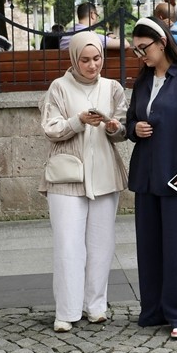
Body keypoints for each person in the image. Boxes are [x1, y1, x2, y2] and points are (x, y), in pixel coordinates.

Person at [125, 17, 177, 341]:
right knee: (150, 247)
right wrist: (135, 129)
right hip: (147, 175)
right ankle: (156, 309)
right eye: (136, 50)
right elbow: (132, 120)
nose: (140, 54)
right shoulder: (143, 81)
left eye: (143, 48)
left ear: (161, 42)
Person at [38, 32, 127, 333]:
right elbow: (50, 129)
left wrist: (114, 127)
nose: (92, 65)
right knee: (68, 245)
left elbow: (123, 128)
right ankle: (66, 311)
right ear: (74, 59)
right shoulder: (59, 88)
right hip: (67, 178)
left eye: (97, 58)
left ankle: (96, 306)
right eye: (85, 60)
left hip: (103, 174)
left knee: (101, 245)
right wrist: (78, 121)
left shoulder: (112, 88)